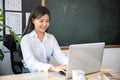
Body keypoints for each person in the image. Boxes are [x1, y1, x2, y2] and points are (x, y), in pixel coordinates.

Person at [20, 5, 68, 73]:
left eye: (47, 21)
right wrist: (52, 67)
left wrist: (71, 63)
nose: (45, 24)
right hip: (29, 72)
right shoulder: (26, 39)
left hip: (45, 72)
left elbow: (59, 55)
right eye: (41, 21)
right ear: (33, 20)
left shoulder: (51, 38)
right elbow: (31, 63)